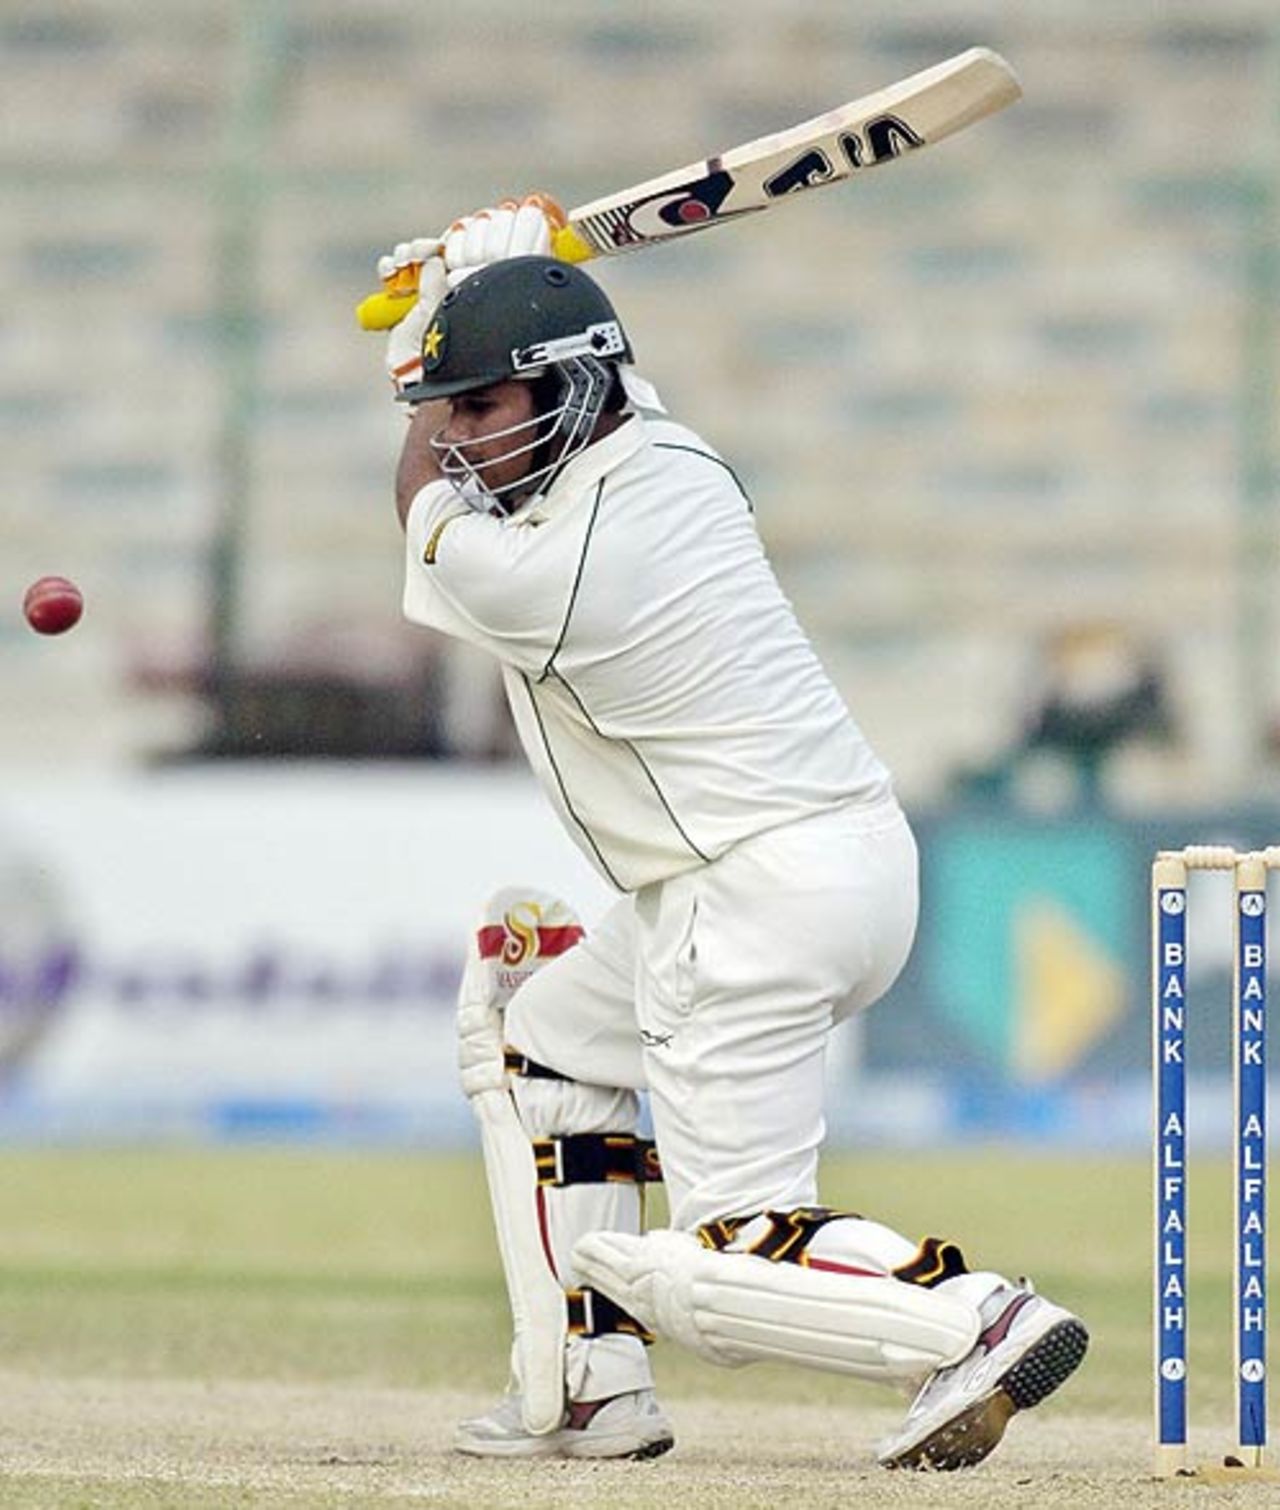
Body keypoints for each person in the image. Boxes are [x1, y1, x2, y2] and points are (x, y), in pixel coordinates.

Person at [376, 197, 1088, 1469]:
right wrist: (480, 305)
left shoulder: (553, 570)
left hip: (744, 895)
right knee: (544, 1038)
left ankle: (974, 1319)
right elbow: (535, 408)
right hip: (836, 861)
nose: (464, 437)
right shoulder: (669, 452)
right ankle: (585, 1386)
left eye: (483, 406)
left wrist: (421, 356)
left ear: (568, 390)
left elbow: (420, 492)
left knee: (728, 1255)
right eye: (456, 408)